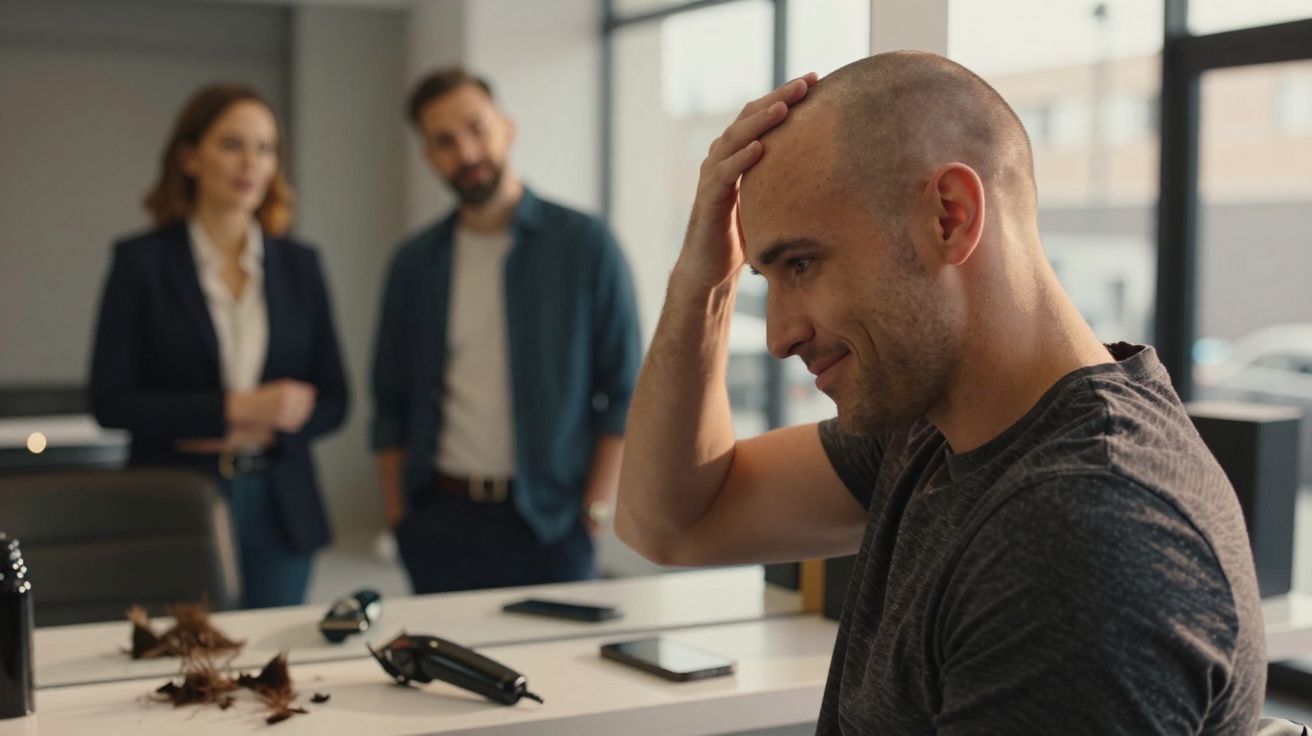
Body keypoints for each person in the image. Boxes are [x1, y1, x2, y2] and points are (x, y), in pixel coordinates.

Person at [616, 52, 1264, 733]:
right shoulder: (935, 427)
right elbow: (674, 523)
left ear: (950, 217)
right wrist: (704, 276)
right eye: (764, 278)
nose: (779, 336)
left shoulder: (1081, 531)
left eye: (802, 263)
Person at [372, 68, 641, 594]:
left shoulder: (585, 246)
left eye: (477, 129)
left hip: (552, 522)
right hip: (439, 518)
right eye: (444, 142)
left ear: (507, 128)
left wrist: (594, 510)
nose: (467, 152)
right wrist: (400, 518)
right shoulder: (415, 263)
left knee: (556, 674)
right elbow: (390, 402)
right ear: (429, 157)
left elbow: (626, 389)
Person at [91, 83, 348, 609]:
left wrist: (270, 421)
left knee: (272, 672)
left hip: (280, 503)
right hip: (175, 503)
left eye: (266, 147)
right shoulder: (140, 263)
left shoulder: (301, 265)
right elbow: (110, 401)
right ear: (189, 156)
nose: (251, 162)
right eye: (233, 144)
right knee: (186, 667)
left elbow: (336, 400)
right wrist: (232, 410)